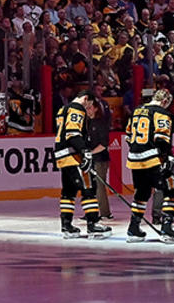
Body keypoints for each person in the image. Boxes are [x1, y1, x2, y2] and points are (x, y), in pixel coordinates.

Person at [125, 89, 174, 243]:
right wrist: (167, 157)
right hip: (153, 159)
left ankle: (134, 228)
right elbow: (162, 138)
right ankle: (167, 227)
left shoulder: (136, 111)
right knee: (171, 189)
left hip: (134, 158)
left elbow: (128, 137)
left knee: (142, 192)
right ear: (165, 102)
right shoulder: (161, 113)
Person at [53, 91, 109, 238]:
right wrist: (85, 151)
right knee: (89, 187)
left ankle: (66, 226)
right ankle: (92, 224)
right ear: (85, 99)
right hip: (73, 155)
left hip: (62, 155)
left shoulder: (62, 110)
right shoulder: (77, 109)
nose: (89, 108)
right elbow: (72, 133)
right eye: (89, 104)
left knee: (68, 192)